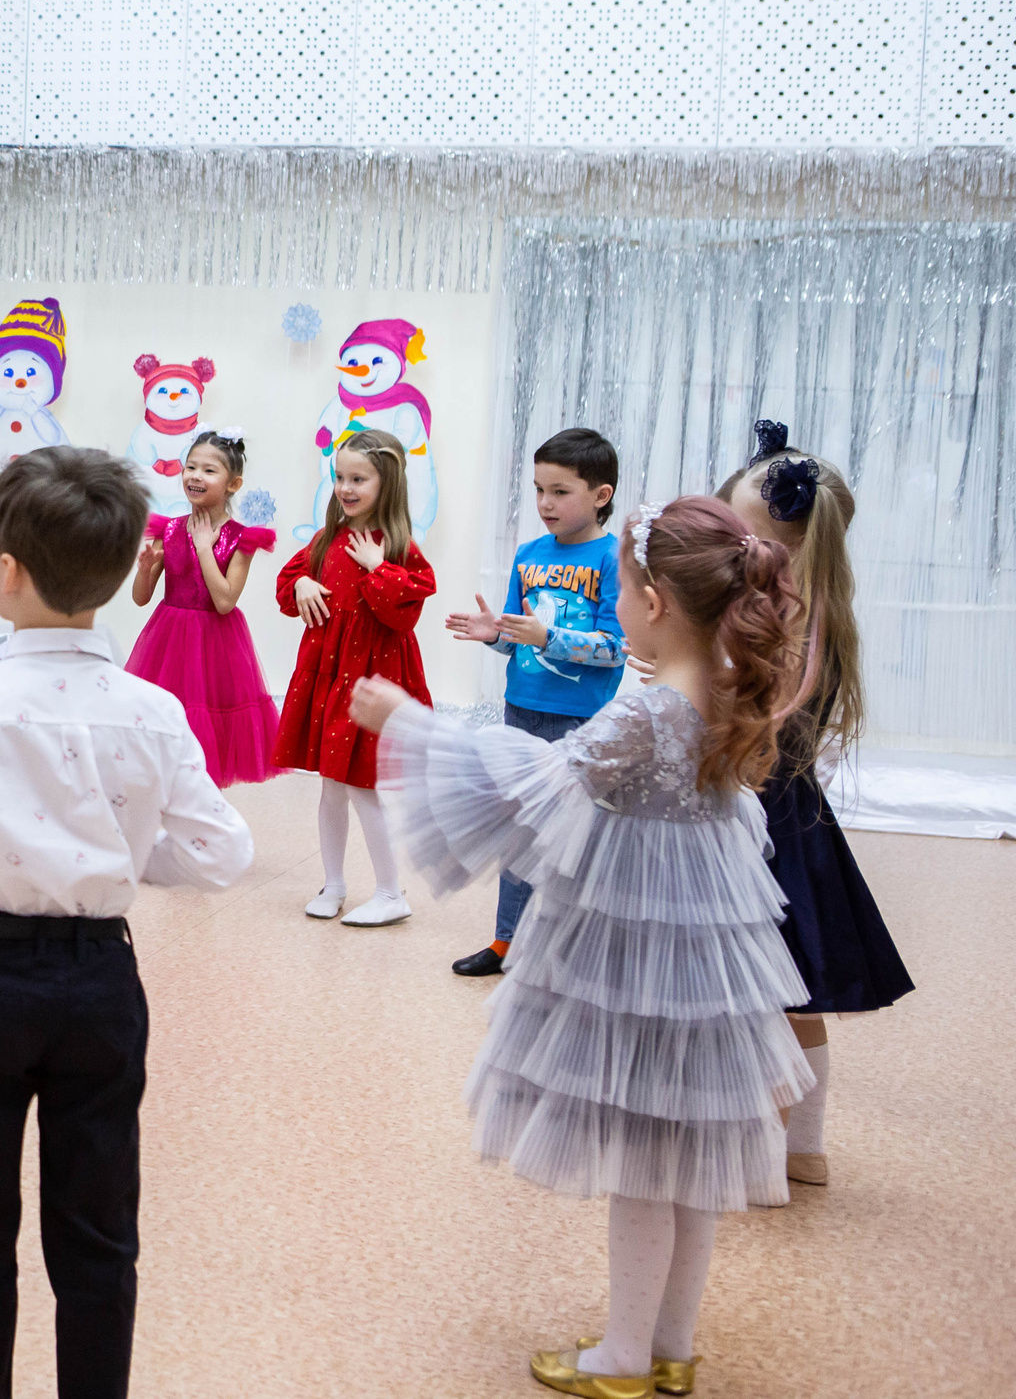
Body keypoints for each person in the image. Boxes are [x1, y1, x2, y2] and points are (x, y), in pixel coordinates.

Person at [352, 495, 814, 1399]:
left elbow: (538, 780)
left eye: (626, 588)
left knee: (643, 1159)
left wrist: (411, 724)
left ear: (655, 605)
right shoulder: (719, 686)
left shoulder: (647, 713)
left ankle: (623, 1357)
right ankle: (671, 1344)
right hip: (703, 954)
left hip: (638, 952)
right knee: (688, 1156)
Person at [0, 446, 253, 1399]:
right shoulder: (153, 711)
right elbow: (222, 852)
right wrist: (118, 855)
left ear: (3, 571)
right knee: (97, 1236)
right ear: (125, 573)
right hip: (99, 983)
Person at [719, 422, 910, 1190]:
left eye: (741, 531)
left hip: (758, 825)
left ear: (781, 543)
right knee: (797, 1000)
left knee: (760, 1000)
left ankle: (768, 1158)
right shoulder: (817, 608)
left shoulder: (786, 617)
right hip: (798, 822)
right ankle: (806, 1148)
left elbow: (757, 723)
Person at [440, 428, 624, 977]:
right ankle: (506, 942)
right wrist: (493, 634)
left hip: (579, 722)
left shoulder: (615, 559)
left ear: (600, 495)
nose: (545, 503)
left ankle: (574, 947)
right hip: (520, 712)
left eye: (561, 491)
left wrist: (550, 639)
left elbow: (617, 648)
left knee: (574, 838)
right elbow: (519, 637)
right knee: (519, 833)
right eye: (539, 489)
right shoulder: (528, 555)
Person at [272, 428, 434, 926]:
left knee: (362, 787)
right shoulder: (326, 540)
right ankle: (334, 884)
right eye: (340, 477)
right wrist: (299, 582)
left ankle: (390, 892)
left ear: (387, 483)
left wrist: (377, 568)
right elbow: (286, 588)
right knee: (331, 786)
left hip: (368, 685)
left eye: (358, 478)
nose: (346, 487)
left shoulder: (400, 547)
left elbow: (403, 614)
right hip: (328, 680)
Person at [124, 427, 280, 786]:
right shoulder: (168, 529)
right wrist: (146, 569)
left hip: (216, 647)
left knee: (207, 742)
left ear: (233, 484)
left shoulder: (243, 539)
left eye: (209, 470)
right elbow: (141, 597)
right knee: (164, 735)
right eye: (190, 467)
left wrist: (204, 546)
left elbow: (225, 601)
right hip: (168, 641)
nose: (195, 476)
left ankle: (201, 817)